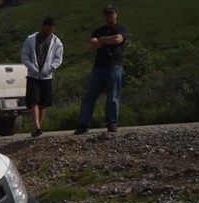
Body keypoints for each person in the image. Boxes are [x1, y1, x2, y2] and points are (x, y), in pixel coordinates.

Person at [74, 5, 129, 134]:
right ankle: (83, 124)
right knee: (90, 96)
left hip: (114, 65)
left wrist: (103, 40)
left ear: (116, 14)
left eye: (111, 13)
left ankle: (112, 124)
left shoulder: (121, 28)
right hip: (99, 67)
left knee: (113, 97)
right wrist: (105, 40)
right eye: (106, 13)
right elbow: (93, 43)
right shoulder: (98, 30)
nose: (109, 15)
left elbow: (118, 39)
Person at [21, 17, 64, 137]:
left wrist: (50, 68)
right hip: (33, 75)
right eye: (47, 27)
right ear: (43, 26)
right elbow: (25, 54)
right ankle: (36, 126)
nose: (49, 30)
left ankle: (38, 128)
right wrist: (31, 67)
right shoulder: (31, 39)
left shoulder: (57, 42)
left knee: (42, 103)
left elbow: (58, 58)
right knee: (34, 100)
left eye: (51, 28)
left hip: (46, 76)